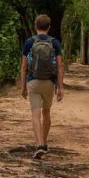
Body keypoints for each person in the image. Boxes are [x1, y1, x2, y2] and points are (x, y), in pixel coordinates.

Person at [20, 14, 64, 159]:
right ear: (49, 27)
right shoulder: (55, 42)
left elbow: (24, 67)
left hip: (33, 81)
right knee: (46, 112)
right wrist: (60, 87)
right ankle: (44, 143)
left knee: (35, 114)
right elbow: (59, 67)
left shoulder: (29, 42)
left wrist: (23, 87)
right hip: (49, 83)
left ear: (35, 26)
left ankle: (39, 144)